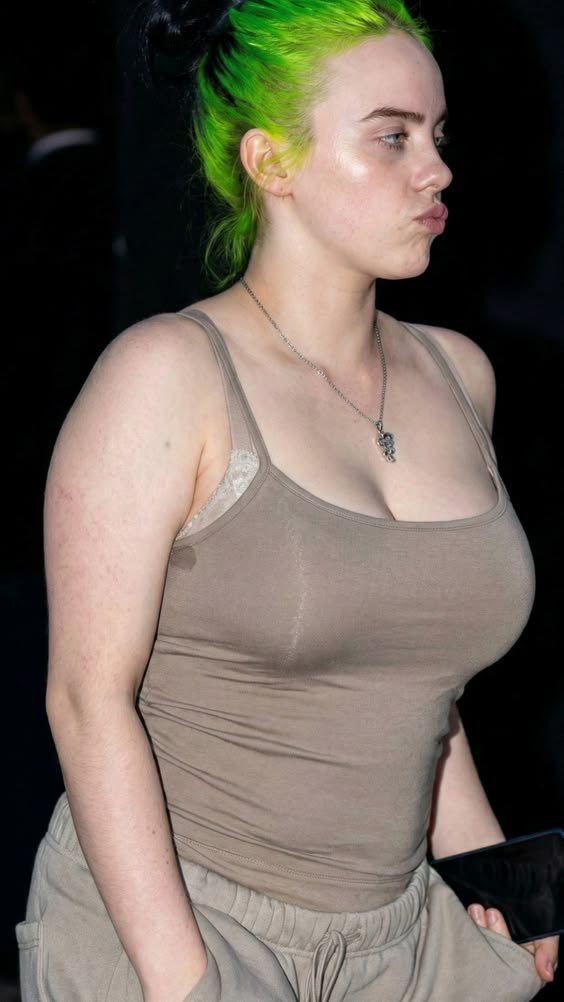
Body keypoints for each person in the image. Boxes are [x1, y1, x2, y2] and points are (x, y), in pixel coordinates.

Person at [16, 1, 559, 1000]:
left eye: (438, 136)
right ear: (272, 161)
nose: (436, 170)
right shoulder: (167, 375)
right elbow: (85, 701)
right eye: (392, 137)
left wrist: (500, 883)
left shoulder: (460, 377)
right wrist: (186, 980)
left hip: (403, 940)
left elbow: (419, 681)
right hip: (184, 924)